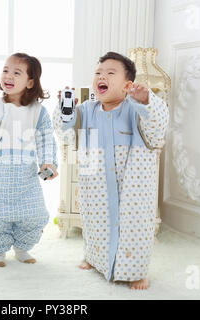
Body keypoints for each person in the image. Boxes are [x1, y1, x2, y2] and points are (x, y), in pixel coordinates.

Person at [52, 51, 169, 290]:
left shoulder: (135, 110)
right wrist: (65, 110)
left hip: (132, 191)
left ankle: (136, 272)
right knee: (95, 225)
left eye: (110, 73)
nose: (101, 76)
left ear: (127, 84)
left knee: (134, 231)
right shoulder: (86, 110)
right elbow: (65, 132)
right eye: (98, 73)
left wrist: (146, 101)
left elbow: (157, 129)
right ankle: (95, 260)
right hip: (96, 187)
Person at [0, 53, 58, 267]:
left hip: (25, 177)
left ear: (30, 82)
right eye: (6, 70)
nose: (9, 75)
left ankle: (22, 247)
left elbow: (46, 140)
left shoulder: (38, 112)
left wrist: (48, 162)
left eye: (17, 72)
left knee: (33, 214)